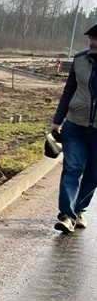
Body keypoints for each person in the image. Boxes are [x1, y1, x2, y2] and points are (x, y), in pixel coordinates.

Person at [50, 23, 97, 233]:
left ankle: (79, 210)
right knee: (72, 168)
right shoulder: (80, 60)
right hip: (75, 125)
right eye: (91, 38)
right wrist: (57, 120)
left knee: (94, 174)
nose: (92, 42)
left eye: (96, 39)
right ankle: (66, 215)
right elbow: (69, 90)